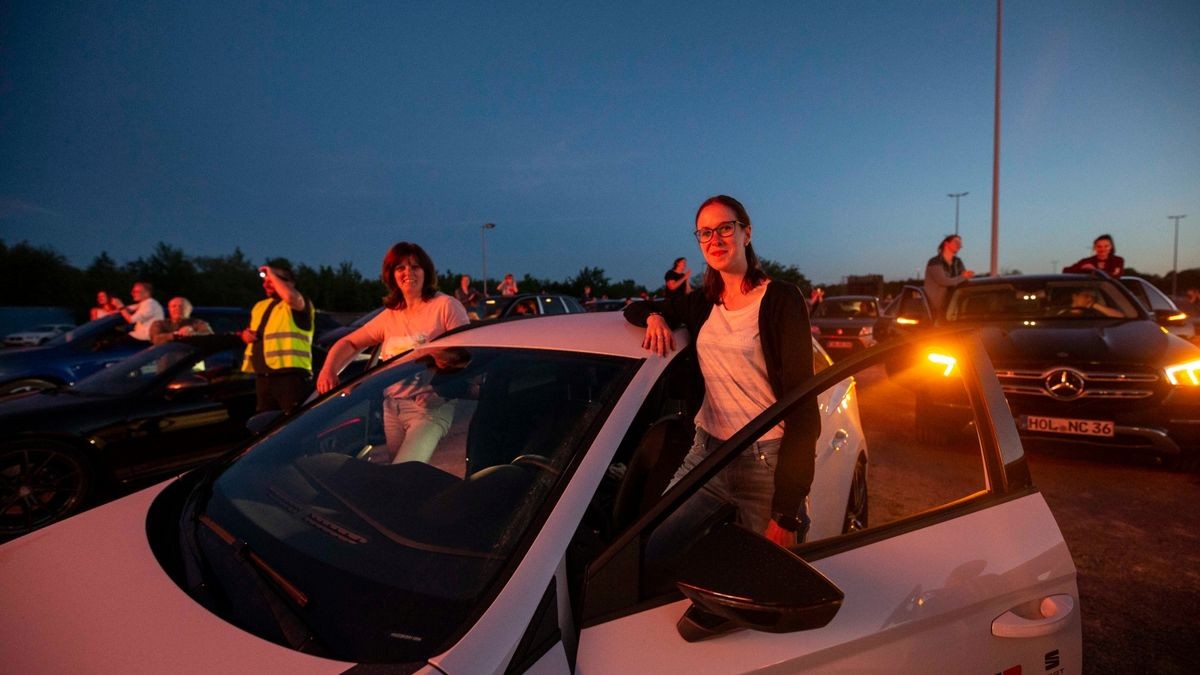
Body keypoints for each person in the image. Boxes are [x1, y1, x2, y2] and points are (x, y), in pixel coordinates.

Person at [625, 194, 819, 552]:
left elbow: (804, 407)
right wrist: (654, 318)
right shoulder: (701, 302)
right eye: (704, 233)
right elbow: (638, 308)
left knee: (764, 576)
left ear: (746, 233)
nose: (715, 239)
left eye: (724, 228)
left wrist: (787, 511)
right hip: (706, 452)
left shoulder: (781, 300)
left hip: (765, 459)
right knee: (651, 549)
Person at [316, 242, 470, 463]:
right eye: (400, 268)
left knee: (403, 471)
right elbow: (350, 342)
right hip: (393, 409)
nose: (408, 273)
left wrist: (441, 390)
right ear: (391, 275)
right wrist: (329, 370)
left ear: (426, 271)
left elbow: (467, 354)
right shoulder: (391, 315)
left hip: (429, 407)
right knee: (404, 477)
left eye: (415, 266)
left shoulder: (445, 306)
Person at [241, 265, 315, 415]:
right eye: (265, 281)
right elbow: (249, 332)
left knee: (293, 423)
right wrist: (245, 336)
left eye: (272, 280)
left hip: (290, 377)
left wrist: (271, 273)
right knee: (266, 425)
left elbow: (290, 297)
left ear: (290, 283)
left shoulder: (298, 302)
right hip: (263, 377)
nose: (267, 284)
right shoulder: (260, 306)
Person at [923, 235, 975, 317]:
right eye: (956, 242)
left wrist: (966, 276)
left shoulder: (958, 262)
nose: (959, 245)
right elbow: (943, 281)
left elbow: (963, 281)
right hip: (934, 309)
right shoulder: (934, 262)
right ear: (946, 244)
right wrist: (964, 276)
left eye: (960, 243)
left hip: (953, 307)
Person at [149, 297, 213, 345]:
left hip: (194, 359)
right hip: (169, 361)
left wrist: (192, 334)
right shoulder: (159, 324)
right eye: (174, 306)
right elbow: (155, 339)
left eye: (182, 306)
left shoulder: (199, 323)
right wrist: (176, 334)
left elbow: (210, 337)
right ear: (169, 309)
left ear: (190, 309)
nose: (178, 309)